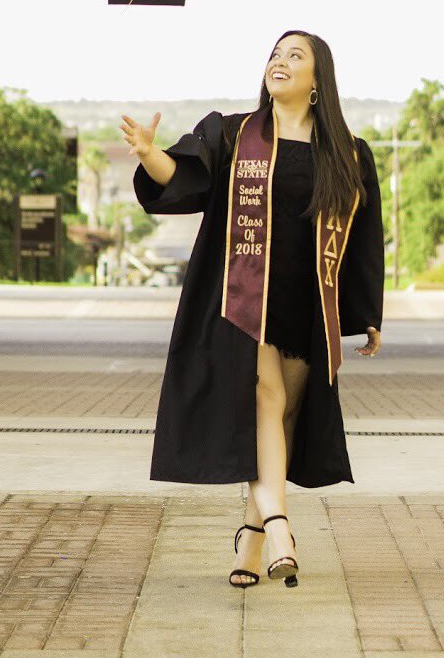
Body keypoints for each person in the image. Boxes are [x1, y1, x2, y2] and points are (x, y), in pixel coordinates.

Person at [121, 29, 384, 590]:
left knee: (281, 422)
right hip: (245, 299)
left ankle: (251, 540)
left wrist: (366, 313)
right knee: (267, 398)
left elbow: (363, 236)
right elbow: (184, 179)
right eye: (275, 54)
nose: (279, 61)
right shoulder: (234, 134)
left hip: (305, 305)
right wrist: (150, 155)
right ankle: (282, 531)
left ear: (318, 80)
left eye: (295, 55)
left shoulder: (348, 154)